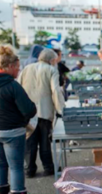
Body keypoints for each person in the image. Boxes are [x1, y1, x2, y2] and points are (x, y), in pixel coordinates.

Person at [0, 44, 37, 194]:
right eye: (17, 67)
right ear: (9, 67)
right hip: (12, 131)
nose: (18, 71)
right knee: (16, 166)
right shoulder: (13, 86)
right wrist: (22, 120)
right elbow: (29, 110)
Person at [19, 48, 65, 178]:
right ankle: (48, 167)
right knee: (45, 141)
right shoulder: (51, 70)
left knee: (30, 141)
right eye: (55, 60)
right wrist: (60, 109)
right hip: (44, 111)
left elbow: (19, 87)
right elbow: (55, 91)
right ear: (51, 60)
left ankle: (29, 169)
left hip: (28, 112)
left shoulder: (26, 68)